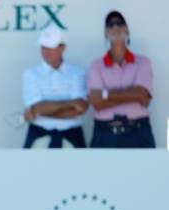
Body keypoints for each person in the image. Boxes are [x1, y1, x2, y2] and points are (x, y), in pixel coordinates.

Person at [87, 11, 154, 148]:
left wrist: (105, 94)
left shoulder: (143, 62)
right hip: (104, 134)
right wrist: (132, 94)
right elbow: (96, 102)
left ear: (127, 29)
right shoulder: (95, 66)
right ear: (106, 33)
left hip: (138, 131)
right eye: (111, 25)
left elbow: (142, 95)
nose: (115, 27)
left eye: (120, 23)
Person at [21, 24, 88, 148]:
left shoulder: (78, 73)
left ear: (63, 47)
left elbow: (79, 109)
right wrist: (70, 103)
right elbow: (37, 107)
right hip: (38, 134)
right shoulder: (30, 74)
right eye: (43, 47)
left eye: (50, 46)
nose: (46, 51)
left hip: (72, 135)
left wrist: (40, 111)